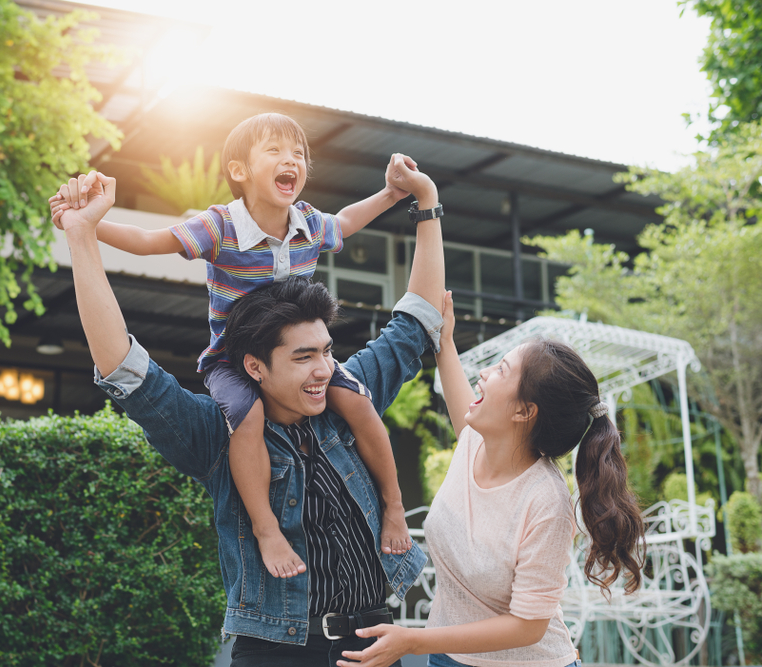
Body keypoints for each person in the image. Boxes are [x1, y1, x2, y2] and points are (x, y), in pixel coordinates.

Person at [50, 155, 445, 666]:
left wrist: (427, 204)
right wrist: (82, 234)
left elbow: (416, 323)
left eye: (325, 351)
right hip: (278, 652)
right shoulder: (218, 433)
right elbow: (125, 368)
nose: (323, 369)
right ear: (255, 367)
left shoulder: (345, 400)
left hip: (374, 645)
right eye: (303, 358)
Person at [336, 292, 647, 667]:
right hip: (448, 658)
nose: (484, 373)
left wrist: (415, 642)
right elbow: (459, 394)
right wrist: (443, 340)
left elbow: (528, 627)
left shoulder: (545, 501)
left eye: (501, 370)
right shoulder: (475, 443)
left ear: (524, 411)